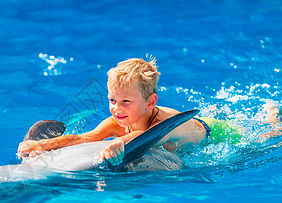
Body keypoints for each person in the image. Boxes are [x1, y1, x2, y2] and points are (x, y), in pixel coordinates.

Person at [17, 57, 276, 165]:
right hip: (195, 129)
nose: (117, 109)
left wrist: (118, 143)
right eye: (112, 100)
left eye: (126, 102)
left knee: (268, 137)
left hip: (218, 134)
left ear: (150, 102)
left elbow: (143, 137)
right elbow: (86, 138)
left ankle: (272, 116)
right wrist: (46, 145)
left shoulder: (163, 122)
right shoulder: (119, 120)